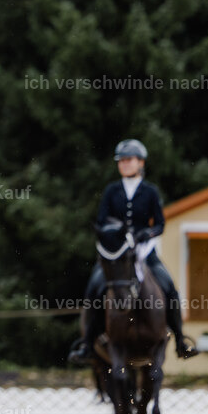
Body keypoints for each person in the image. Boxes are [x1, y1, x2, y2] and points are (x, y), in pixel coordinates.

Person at [67, 139, 199, 364]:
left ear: (140, 163)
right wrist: (116, 233)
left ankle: (179, 341)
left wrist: (143, 235)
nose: (125, 164)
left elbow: (159, 224)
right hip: (117, 254)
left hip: (144, 252)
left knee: (169, 288)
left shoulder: (149, 191)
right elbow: (102, 221)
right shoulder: (111, 191)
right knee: (93, 290)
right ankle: (88, 344)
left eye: (129, 160)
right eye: (121, 161)